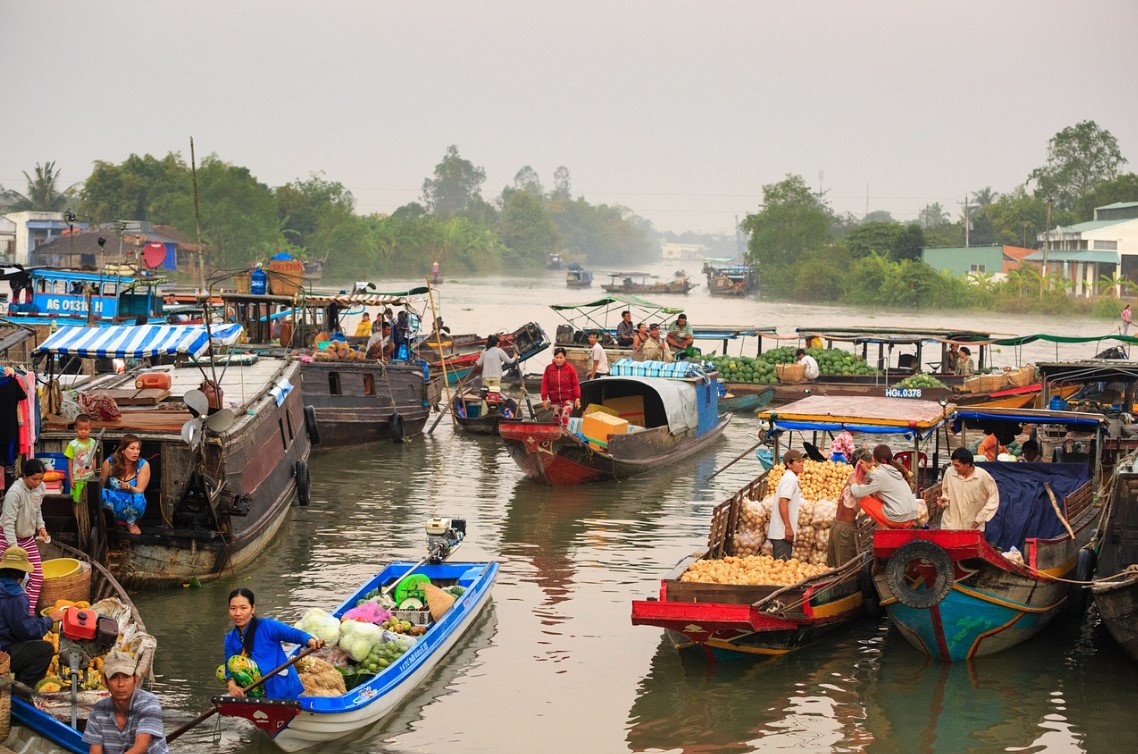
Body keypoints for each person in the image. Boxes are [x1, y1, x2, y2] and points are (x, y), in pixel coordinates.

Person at [224, 588, 322, 700]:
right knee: (223, 669)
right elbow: (228, 668)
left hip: (279, 687)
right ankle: (253, 698)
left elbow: (292, 633)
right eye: (233, 608)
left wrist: (310, 641)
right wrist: (232, 686)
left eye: (243, 608)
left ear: (252, 608)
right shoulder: (230, 638)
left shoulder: (267, 626)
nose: (237, 613)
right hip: (256, 688)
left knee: (235, 662)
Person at [0, 547, 65, 686]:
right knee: (45, 649)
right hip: (2, 651)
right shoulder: (15, 596)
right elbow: (27, 631)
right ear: (22, 575)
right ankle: (22, 690)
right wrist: (49, 619)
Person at [83, 651, 169, 754]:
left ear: (135, 679)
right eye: (114, 678)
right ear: (104, 682)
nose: (121, 684)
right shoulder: (98, 711)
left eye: (126, 677)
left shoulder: (149, 703)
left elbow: (141, 747)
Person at [1, 459, 48, 614]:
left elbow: (37, 509)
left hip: (27, 538)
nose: (38, 482)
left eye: (41, 478)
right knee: (7, 579)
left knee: (37, 577)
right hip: (8, 538)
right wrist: (13, 547)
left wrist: (40, 526)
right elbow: (8, 523)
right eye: (34, 479)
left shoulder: (40, 488)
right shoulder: (15, 493)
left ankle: (26, 613)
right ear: (24, 476)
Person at [849, 444, 919, 529]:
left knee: (863, 500)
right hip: (911, 516)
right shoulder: (893, 470)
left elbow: (858, 492)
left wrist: (853, 484)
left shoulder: (878, 475)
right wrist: (867, 472)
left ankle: (886, 526)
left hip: (899, 518)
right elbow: (879, 478)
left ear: (874, 459)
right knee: (877, 497)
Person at [828, 447, 874, 567]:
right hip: (844, 529)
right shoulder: (857, 481)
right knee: (845, 569)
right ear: (861, 463)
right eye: (870, 463)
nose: (872, 465)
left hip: (838, 526)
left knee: (836, 567)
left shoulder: (854, 476)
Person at [938, 447, 1000, 532]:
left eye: (957, 465)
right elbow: (945, 492)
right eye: (953, 465)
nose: (955, 468)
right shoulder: (949, 472)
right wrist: (944, 500)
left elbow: (993, 498)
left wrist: (981, 517)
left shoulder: (982, 476)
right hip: (950, 524)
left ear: (967, 464)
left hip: (973, 525)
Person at [100, 435, 150, 536]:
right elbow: (100, 484)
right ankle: (108, 522)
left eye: (138, 449)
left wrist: (129, 488)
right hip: (114, 504)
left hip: (131, 506)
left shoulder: (143, 465)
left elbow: (140, 489)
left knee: (139, 498)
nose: (136, 452)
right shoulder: (109, 462)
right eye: (132, 448)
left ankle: (130, 523)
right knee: (102, 493)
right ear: (122, 450)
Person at [770, 450, 804, 561]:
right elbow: (783, 502)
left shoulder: (790, 478)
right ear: (789, 464)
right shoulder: (790, 479)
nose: (802, 464)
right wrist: (788, 527)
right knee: (781, 565)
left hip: (781, 532)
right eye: (799, 461)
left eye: (802, 461)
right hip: (782, 533)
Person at [540, 348, 581, 422]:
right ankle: (559, 432)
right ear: (554, 358)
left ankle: (563, 432)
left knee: (565, 416)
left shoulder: (570, 369)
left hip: (568, 399)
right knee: (556, 419)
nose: (559, 360)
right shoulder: (548, 369)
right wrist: (544, 399)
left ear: (565, 358)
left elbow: (575, 384)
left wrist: (577, 398)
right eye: (557, 357)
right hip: (554, 400)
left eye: (561, 358)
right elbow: (545, 384)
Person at [66, 413, 98, 505]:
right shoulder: (72, 444)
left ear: (90, 429)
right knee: (76, 502)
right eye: (80, 429)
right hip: (77, 479)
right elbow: (70, 462)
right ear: (75, 429)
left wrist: (95, 471)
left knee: (89, 501)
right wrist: (71, 479)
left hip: (90, 478)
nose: (83, 431)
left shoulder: (93, 443)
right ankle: (77, 519)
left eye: (86, 429)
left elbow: (94, 457)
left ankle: (87, 519)